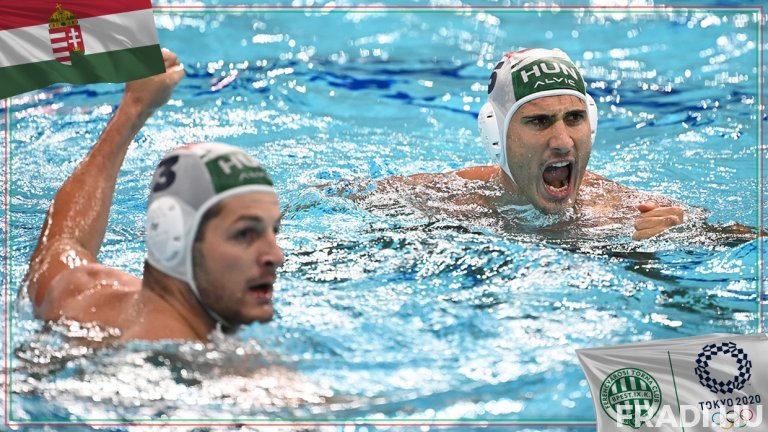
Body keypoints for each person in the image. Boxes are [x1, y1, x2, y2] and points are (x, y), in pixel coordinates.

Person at [23, 49, 284, 341]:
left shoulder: (80, 298)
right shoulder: (228, 367)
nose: (277, 256)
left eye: (274, 231)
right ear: (173, 238)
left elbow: (59, 245)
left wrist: (135, 106)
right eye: (244, 234)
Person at [367, 48, 687, 241]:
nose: (563, 142)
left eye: (574, 118)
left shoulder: (626, 212)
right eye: (539, 121)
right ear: (496, 134)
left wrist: (667, 238)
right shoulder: (443, 199)